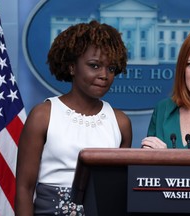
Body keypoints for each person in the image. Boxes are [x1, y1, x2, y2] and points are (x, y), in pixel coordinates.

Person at [15, 20, 132, 216]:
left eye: (111, 69)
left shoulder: (120, 122)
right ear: (71, 67)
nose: (104, 75)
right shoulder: (44, 115)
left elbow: (117, 191)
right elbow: (24, 189)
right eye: (94, 66)